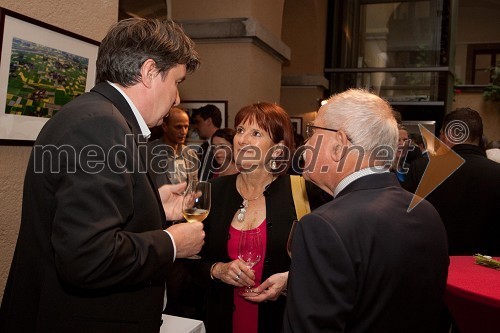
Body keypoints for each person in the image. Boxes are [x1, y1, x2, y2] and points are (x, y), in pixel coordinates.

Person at [0, 18, 205, 332]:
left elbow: (90, 214)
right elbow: (87, 256)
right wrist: (172, 243)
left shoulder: (94, 115)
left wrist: (153, 206)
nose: (177, 98)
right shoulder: (100, 126)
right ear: (150, 72)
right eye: (177, 81)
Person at [283, 89, 449, 333]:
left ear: (339, 144)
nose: (306, 144)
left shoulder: (323, 225)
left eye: (312, 132)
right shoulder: (426, 211)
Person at [189, 102, 330, 333]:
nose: (242, 140)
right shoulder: (212, 190)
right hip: (220, 320)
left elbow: (329, 260)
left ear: (277, 149)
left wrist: (289, 280)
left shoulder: (304, 193)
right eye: (241, 131)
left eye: (256, 133)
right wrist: (216, 270)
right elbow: (187, 260)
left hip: (281, 322)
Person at [403, 108, 500, 255]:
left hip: (432, 263)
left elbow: (405, 219)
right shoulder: (496, 172)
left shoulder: (422, 168)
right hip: (488, 267)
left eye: (440, 135)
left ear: (448, 136)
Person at [148, 107, 199, 187]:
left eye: (186, 127)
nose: (183, 132)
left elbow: (194, 187)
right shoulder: (148, 151)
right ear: (165, 127)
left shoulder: (190, 155)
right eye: (178, 127)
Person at [191, 104, 222, 181]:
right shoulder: (204, 147)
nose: (195, 126)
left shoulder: (227, 145)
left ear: (209, 121)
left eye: (198, 122)